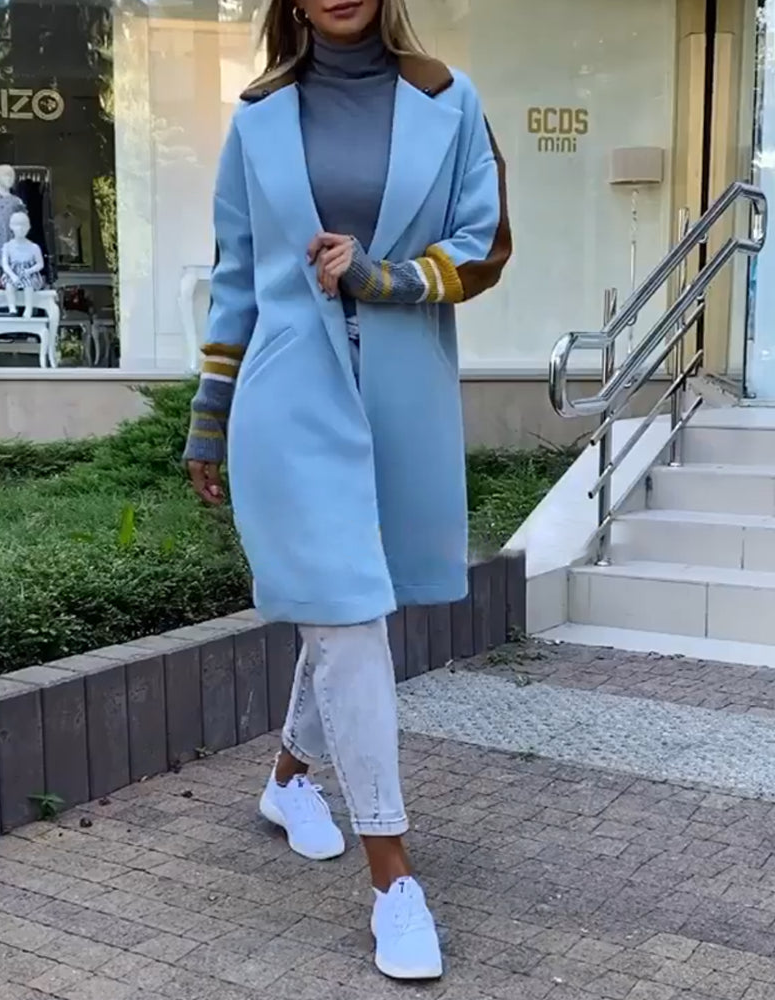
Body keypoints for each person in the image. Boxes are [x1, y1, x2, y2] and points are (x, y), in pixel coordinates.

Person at [184, 0, 511, 981]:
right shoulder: (258, 115)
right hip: (289, 395)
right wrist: (209, 412)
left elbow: (485, 244)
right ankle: (392, 879)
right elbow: (236, 275)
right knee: (347, 621)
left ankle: (290, 778)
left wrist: (383, 277)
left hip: (402, 394)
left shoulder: (449, 100)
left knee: (354, 605)